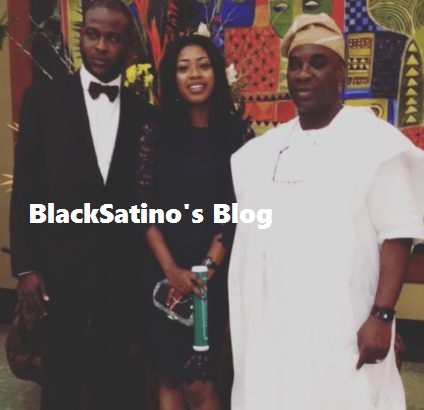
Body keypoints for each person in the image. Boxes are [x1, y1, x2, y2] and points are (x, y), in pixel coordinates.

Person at [228, 13, 424, 410]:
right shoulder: (260, 154)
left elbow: (398, 234)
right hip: (274, 326)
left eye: (317, 63)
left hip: (343, 324)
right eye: (296, 65)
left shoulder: (375, 143)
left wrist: (382, 316)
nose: (303, 74)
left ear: (341, 74)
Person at [10, 1, 154, 409]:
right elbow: (27, 189)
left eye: (113, 38)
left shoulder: (146, 114)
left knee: (120, 384)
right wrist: (26, 267)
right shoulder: (43, 101)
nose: (101, 46)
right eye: (93, 34)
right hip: (58, 272)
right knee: (61, 382)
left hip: (122, 275)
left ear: (129, 48)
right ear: (81, 37)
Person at [137, 34, 254, 409]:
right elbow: (143, 208)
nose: (194, 75)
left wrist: (204, 271)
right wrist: (171, 271)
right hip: (161, 271)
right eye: (183, 67)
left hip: (212, 276)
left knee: (199, 383)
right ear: (172, 77)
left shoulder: (238, 134)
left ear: (216, 73)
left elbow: (238, 212)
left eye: (203, 65)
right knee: (169, 375)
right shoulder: (154, 132)